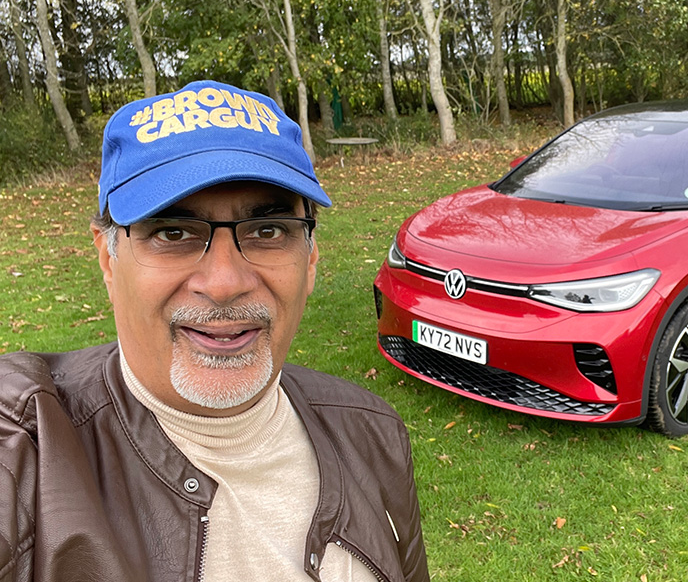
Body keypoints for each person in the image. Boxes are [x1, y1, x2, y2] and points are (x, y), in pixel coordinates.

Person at [0, 81, 429, 582]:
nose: (225, 283)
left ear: (310, 259)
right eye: (173, 232)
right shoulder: (28, 450)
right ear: (108, 260)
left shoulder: (373, 435)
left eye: (268, 231)